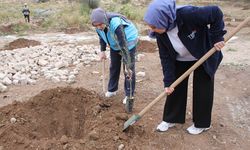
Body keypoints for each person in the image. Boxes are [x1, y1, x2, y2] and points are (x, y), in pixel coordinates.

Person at [144, 0, 226, 134]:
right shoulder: (160, 34)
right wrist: (168, 81)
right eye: (151, 27)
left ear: (164, 18)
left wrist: (217, 37)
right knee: (174, 86)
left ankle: (202, 123)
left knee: (203, 87)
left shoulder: (188, 14)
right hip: (180, 58)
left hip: (203, 54)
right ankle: (171, 118)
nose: (152, 30)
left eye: (154, 27)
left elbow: (215, 12)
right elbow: (166, 58)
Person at [90, 8, 138, 105]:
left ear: (105, 20)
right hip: (115, 44)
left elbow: (122, 41)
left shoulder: (116, 24)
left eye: (100, 24)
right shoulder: (98, 27)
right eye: (96, 25)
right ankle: (112, 90)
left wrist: (126, 58)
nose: (99, 27)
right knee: (114, 66)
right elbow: (102, 37)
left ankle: (129, 95)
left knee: (128, 69)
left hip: (128, 42)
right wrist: (102, 51)